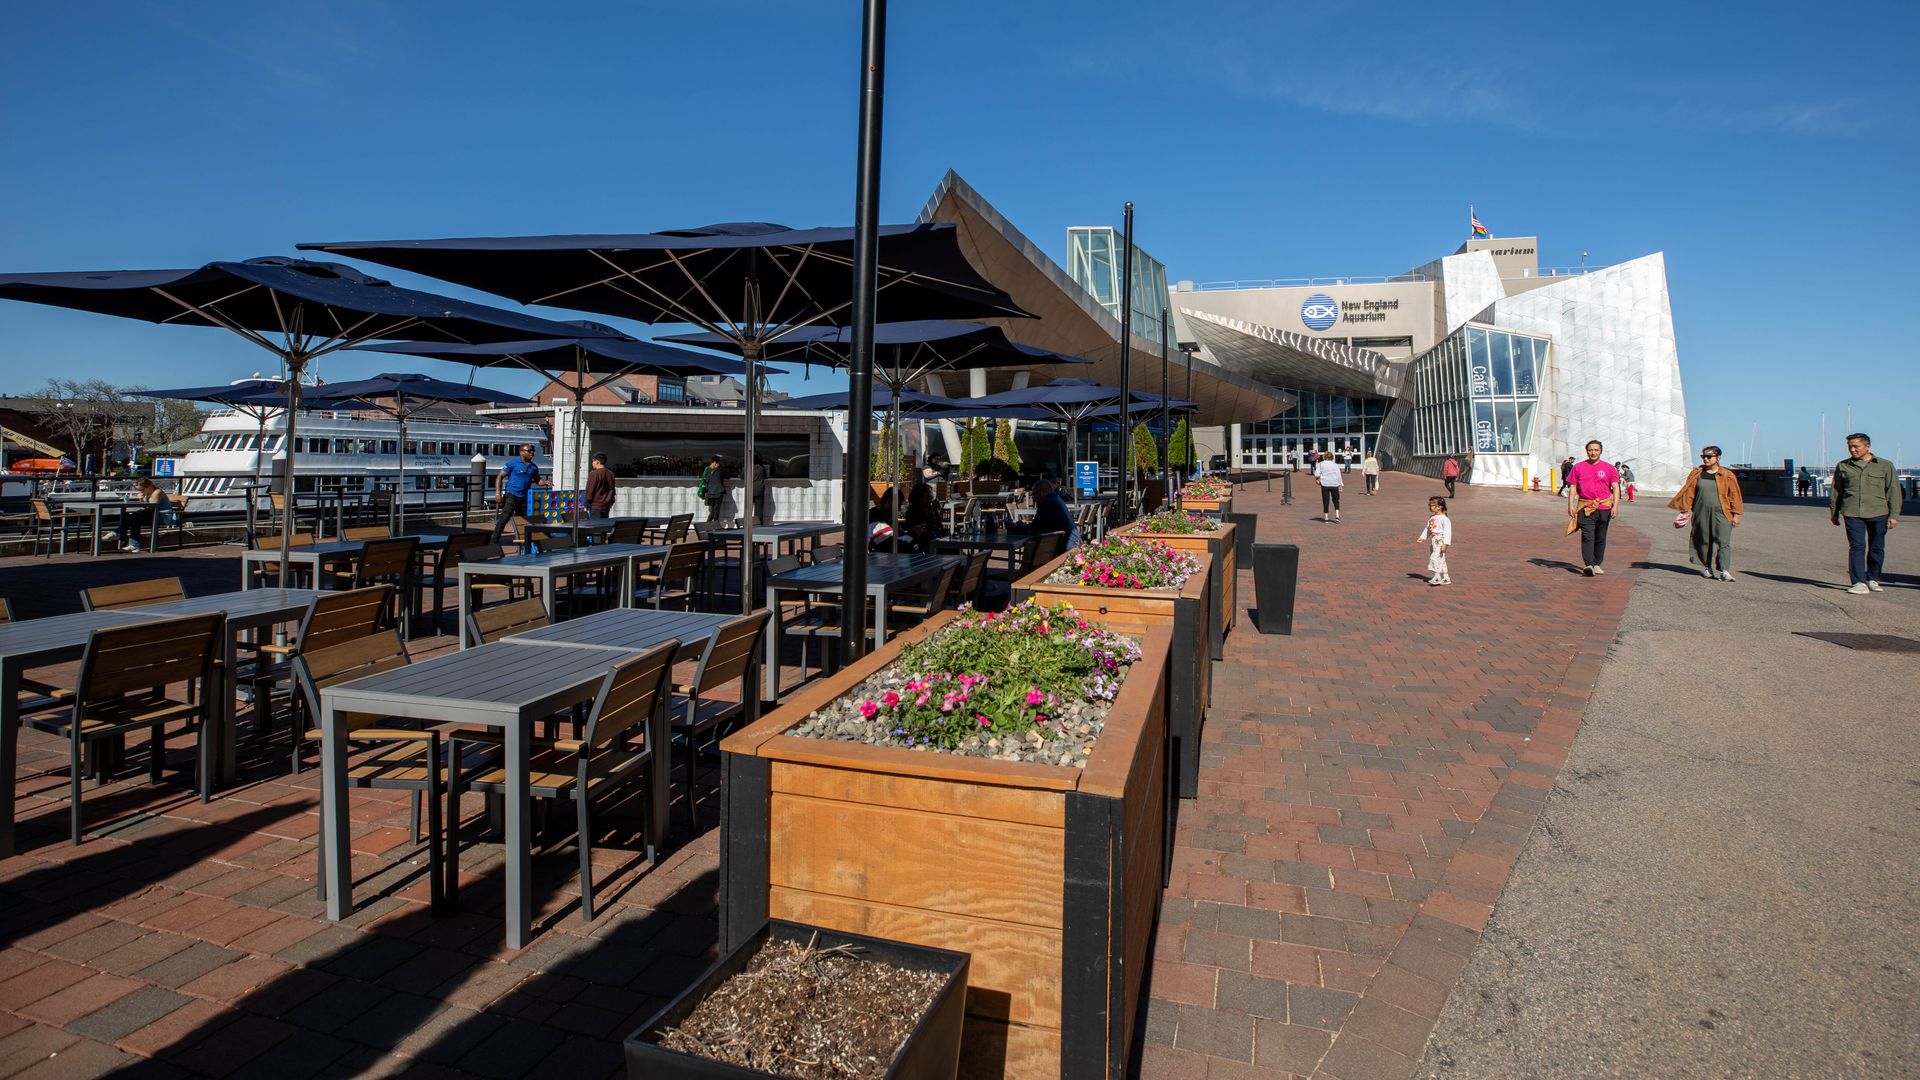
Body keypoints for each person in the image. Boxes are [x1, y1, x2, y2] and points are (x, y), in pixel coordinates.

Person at [1829, 432, 1902, 594]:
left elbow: (1893, 491)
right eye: (1850, 447)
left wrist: (1894, 515)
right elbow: (1836, 491)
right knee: (1857, 546)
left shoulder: (1884, 465)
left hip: (1878, 512)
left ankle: (1873, 578)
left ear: (1867, 446)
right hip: (1852, 512)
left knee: (1877, 547)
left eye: (1856, 446)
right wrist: (1834, 512)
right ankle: (1858, 582)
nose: (1852, 450)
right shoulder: (1843, 466)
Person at [1668, 446, 1742, 580]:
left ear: (1718, 458)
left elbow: (1735, 495)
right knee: (1703, 540)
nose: (1706, 459)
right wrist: (1684, 510)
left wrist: (1736, 515)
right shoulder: (1697, 473)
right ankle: (1707, 568)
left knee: (1723, 541)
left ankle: (1724, 570)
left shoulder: (1727, 475)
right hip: (1700, 511)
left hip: (1723, 512)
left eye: (1709, 456)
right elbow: (1689, 492)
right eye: (1704, 457)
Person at [1564, 440, 1621, 576]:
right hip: (1585, 506)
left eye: (1596, 450)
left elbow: (1615, 488)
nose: (1593, 452)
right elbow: (1572, 487)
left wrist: (1615, 506)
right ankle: (1589, 564)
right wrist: (1570, 505)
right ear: (1586, 451)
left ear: (1600, 451)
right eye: (1590, 450)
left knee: (1600, 537)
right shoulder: (1578, 467)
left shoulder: (1609, 468)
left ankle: (1597, 564)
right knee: (1587, 536)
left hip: (1604, 507)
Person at [489, 443, 541, 544]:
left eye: (532, 451)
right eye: (529, 451)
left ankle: (523, 541)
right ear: (521, 452)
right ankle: (494, 541)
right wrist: (497, 493)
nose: (532, 453)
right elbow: (499, 477)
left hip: (524, 497)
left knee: (523, 520)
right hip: (512, 495)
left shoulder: (533, 467)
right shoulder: (512, 463)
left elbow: (538, 480)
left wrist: (546, 483)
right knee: (504, 518)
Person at [1022, 477, 1080, 547]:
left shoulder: (1046, 503)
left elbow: (1034, 530)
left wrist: (1015, 528)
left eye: (1034, 494)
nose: (1033, 498)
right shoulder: (1057, 499)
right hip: (1075, 547)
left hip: (1065, 551)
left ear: (1042, 492)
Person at [121, 478, 168, 553]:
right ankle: (134, 545)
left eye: (141, 489)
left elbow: (153, 507)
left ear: (148, 487)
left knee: (134, 517)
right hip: (154, 515)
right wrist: (142, 500)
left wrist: (144, 500)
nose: (140, 492)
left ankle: (118, 533)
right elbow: (147, 508)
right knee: (134, 518)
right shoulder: (148, 493)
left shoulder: (157, 492)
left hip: (162, 517)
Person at [1416, 496, 1452, 585]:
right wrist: (1422, 537)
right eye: (1430, 505)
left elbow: (1448, 532)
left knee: (1435, 557)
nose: (1430, 507)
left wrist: (1445, 544)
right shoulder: (1432, 518)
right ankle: (1446, 577)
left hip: (1440, 541)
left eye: (1432, 505)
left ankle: (1437, 576)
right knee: (1441, 559)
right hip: (1433, 541)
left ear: (1439, 506)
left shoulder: (1445, 519)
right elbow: (1428, 529)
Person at [900, 482, 943, 553]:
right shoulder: (913, 512)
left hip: (938, 543)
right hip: (923, 547)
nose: (930, 499)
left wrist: (937, 513)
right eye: (927, 496)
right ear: (919, 497)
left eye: (931, 496)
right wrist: (931, 513)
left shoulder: (930, 509)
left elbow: (939, 528)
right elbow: (925, 531)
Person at [1314, 450, 1344, 523]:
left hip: (1325, 484)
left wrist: (1319, 478)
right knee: (1336, 500)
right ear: (1332, 457)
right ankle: (1337, 516)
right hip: (1334, 484)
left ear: (1324, 457)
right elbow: (1338, 475)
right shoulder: (1335, 465)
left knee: (1325, 500)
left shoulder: (1321, 464)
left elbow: (1316, 474)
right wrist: (1340, 484)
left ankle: (1326, 517)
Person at [697, 454, 726, 522]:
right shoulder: (720, 470)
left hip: (710, 492)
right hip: (718, 492)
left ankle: (708, 525)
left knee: (713, 510)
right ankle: (715, 526)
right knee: (716, 510)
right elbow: (727, 476)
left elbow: (701, 477)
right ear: (716, 462)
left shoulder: (707, 469)